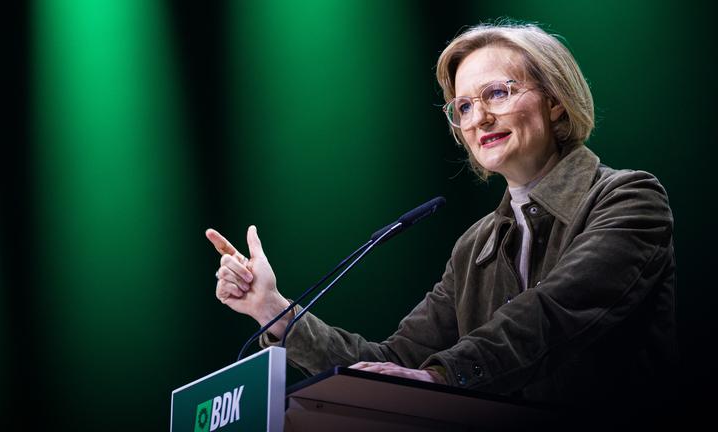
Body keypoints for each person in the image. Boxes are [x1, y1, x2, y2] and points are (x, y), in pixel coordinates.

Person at [206, 21, 677, 418]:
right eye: (464, 106)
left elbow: (553, 314)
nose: (478, 118)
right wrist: (273, 310)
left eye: (497, 93)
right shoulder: (474, 246)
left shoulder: (629, 199)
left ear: (555, 100)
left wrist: (442, 375)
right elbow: (392, 363)